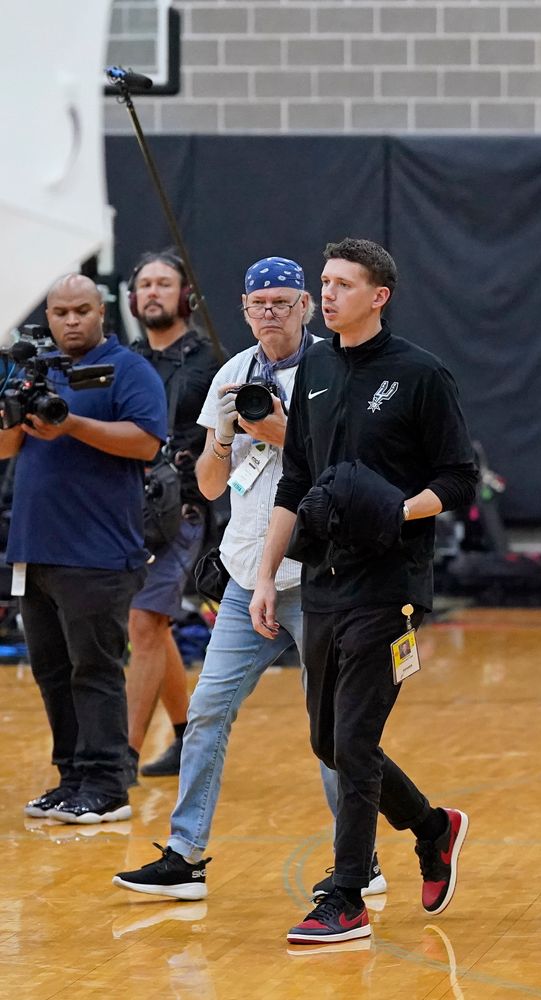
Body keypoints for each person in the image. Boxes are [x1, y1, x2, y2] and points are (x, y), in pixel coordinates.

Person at [112, 256, 370, 900]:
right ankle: (185, 854)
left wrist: (280, 430)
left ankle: (357, 863)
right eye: (260, 305)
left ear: (308, 306)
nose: (271, 315)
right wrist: (226, 436)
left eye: (284, 303)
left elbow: (347, 466)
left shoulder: (335, 368)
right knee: (205, 713)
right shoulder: (233, 373)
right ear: (243, 309)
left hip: (317, 579)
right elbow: (206, 484)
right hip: (245, 574)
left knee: (332, 730)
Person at [250, 238, 478, 945]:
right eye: (324, 282)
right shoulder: (313, 366)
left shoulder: (421, 375)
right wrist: (266, 574)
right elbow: (294, 482)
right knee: (329, 738)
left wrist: (397, 510)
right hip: (321, 578)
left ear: (379, 296)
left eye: (343, 284)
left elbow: (458, 480)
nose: (328, 294)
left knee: (354, 736)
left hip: (392, 586)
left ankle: (344, 894)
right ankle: (434, 827)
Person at [3, 274, 166, 823]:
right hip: (36, 547)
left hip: (96, 550)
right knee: (51, 669)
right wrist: (10, 406)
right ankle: (72, 777)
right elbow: (6, 448)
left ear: (102, 312)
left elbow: (146, 442)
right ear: (46, 316)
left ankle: (108, 783)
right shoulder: (35, 371)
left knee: (93, 669)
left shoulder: (129, 369)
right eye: (59, 312)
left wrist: (70, 423)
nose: (70, 321)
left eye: (81, 310)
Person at [124, 251, 217, 779]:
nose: (153, 292)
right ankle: (187, 737)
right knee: (152, 629)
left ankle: (123, 757)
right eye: (145, 285)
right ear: (133, 298)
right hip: (125, 511)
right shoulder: (123, 360)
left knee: (143, 621)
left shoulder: (212, 361)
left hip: (183, 510)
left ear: (185, 296)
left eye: (164, 283)